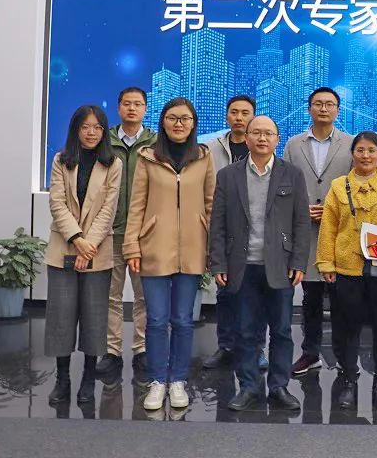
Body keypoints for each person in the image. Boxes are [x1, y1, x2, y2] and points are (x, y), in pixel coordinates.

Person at [208, 116, 311, 411]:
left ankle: (278, 387)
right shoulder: (228, 175)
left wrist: (299, 261)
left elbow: (301, 222)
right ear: (247, 137)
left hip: (280, 265)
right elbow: (217, 223)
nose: (262, 138)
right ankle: (249, 386)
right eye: (256, 133)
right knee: (245, 331)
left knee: (281, 331)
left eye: (268, 133)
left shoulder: (292, 174)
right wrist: (218, 264)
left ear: (277, 139)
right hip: (242, 265)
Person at [124, 98, 215, 411]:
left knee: (184, 320)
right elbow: (136, 205)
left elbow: (211, 204)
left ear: (193, 124)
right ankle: (157, 380)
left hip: (193, 248)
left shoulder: (203, 157)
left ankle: (178, 380)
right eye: (173, 118)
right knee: (156, 319)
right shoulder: (147, 157)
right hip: (154, 248)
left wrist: (211, 248)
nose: (179, 124)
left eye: (185, 118)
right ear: (163, 122)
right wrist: (132, 245)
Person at [316, 131, 377, 410]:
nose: (366, 155)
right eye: (360, 150)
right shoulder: (338, 186)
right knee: (347, 326)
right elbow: (329, 228)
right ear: (353, 154)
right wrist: (326, 263)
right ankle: (348, 377)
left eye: (372, 150)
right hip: (347, 268)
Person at [46, 105, 123, 405]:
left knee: (94, 318)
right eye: (85, 127)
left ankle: (89, 379)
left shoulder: (113, 163)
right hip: (64, 247)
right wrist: (77, 240)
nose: (91, 133)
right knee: (61, 318)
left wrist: (88, 244)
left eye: (97, 127)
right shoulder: (61, 160)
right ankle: (62, 379)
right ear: (76, 129)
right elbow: (57, 203)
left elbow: (108, 209)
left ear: (104, 132)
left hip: (97, 249)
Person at [284, 87, 353, 377]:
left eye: (329, 104)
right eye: (318, 104)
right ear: (309, 108)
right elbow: (285, 185)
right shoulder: (293, 144)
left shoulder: (351, 143)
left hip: (341, 232)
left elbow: (357, 183)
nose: (324, 109)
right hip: (306, 232)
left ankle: (344, 357)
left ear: (338, 110)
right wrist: (301, 210)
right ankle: (310, 352)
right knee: (310, 297)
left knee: (342, 300)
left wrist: (335, 210)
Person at [98, 87, 157, 377]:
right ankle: (111, 351)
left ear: (146, 108)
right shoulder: (104, 141)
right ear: (118, 107)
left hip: (144, 233)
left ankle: (141, 349)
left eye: (138, 104)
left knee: (144, 295)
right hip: (110, 231)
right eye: (127, 103)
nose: (132, 108)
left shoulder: (156, 143)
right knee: (111, 295)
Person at [202, 95, 258, 371]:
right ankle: (225, 347)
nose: (239, 117)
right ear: (227, 116)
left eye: (245, 113)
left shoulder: (261, 146)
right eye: (234, 112)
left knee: (255, 295)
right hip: (223, 227)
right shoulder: (210, 148)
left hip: (256, 231)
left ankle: (255, 349)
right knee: (225, 293)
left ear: (253, 117)